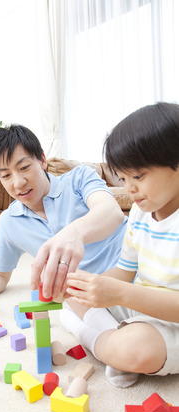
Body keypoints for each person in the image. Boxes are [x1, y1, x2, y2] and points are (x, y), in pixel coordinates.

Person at [0, 124, 127, 319]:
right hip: (90, 298)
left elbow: (111, 211)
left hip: (134, 270)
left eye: (24, 168)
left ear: (42, 160)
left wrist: (72, 234)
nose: (18, 182)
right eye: (6, 175)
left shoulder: (79, 178)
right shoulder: (9, 221)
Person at [60, 102, 179, 388]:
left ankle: (103, 342)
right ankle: (115, 341)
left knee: (136, 350)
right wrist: (85, 285)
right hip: (141, 303)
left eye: (138, 176)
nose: (129, 188)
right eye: (123, 178)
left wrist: (122, 295)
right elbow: (125, 272)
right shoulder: (139, 214)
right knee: (75, 293)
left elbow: (128, 290)